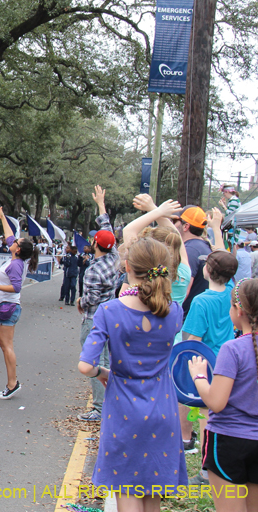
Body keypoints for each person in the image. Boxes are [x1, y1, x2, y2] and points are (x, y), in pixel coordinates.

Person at [78, 237, 187, 512]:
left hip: (123, 410)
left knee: (126, 490)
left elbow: (86, 365)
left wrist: (102, 371)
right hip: (163, 408)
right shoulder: (174, 312)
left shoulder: (109, 311)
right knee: (153, 496)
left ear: (127, 266)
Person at [187, 278, 258, 512]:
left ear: (239, 310)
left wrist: (199, 376)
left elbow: (216, 403)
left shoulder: (233, 349)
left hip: (229, 441)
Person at [0, 205, 39, 400]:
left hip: (8, 307)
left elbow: (16, 287)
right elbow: (9, 236)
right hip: (5, 307)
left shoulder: (15, 265)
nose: (13, 241)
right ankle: (11, 383)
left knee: (7, 347)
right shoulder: (16, 259)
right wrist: (2, 217)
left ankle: (12, 384)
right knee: (4, 346)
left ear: (18, 249)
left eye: (16, 242)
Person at [75, 185, 119, 422]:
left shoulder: (93, 271)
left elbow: (90, 299)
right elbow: (107, 227)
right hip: (110, 316)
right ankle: (109, 402)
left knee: (94, 362)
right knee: (106, 360)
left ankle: (99, 407)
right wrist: (101, 204)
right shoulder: (114, 257)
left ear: (94, 243)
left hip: (93, 319)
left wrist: (80, 301)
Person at [174, 205, 212, 314]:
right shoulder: (203, 246)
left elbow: (184, 289)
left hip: (186, 316)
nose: (174, 225)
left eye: (176, 221)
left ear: (186, 226)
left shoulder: (189, 251)